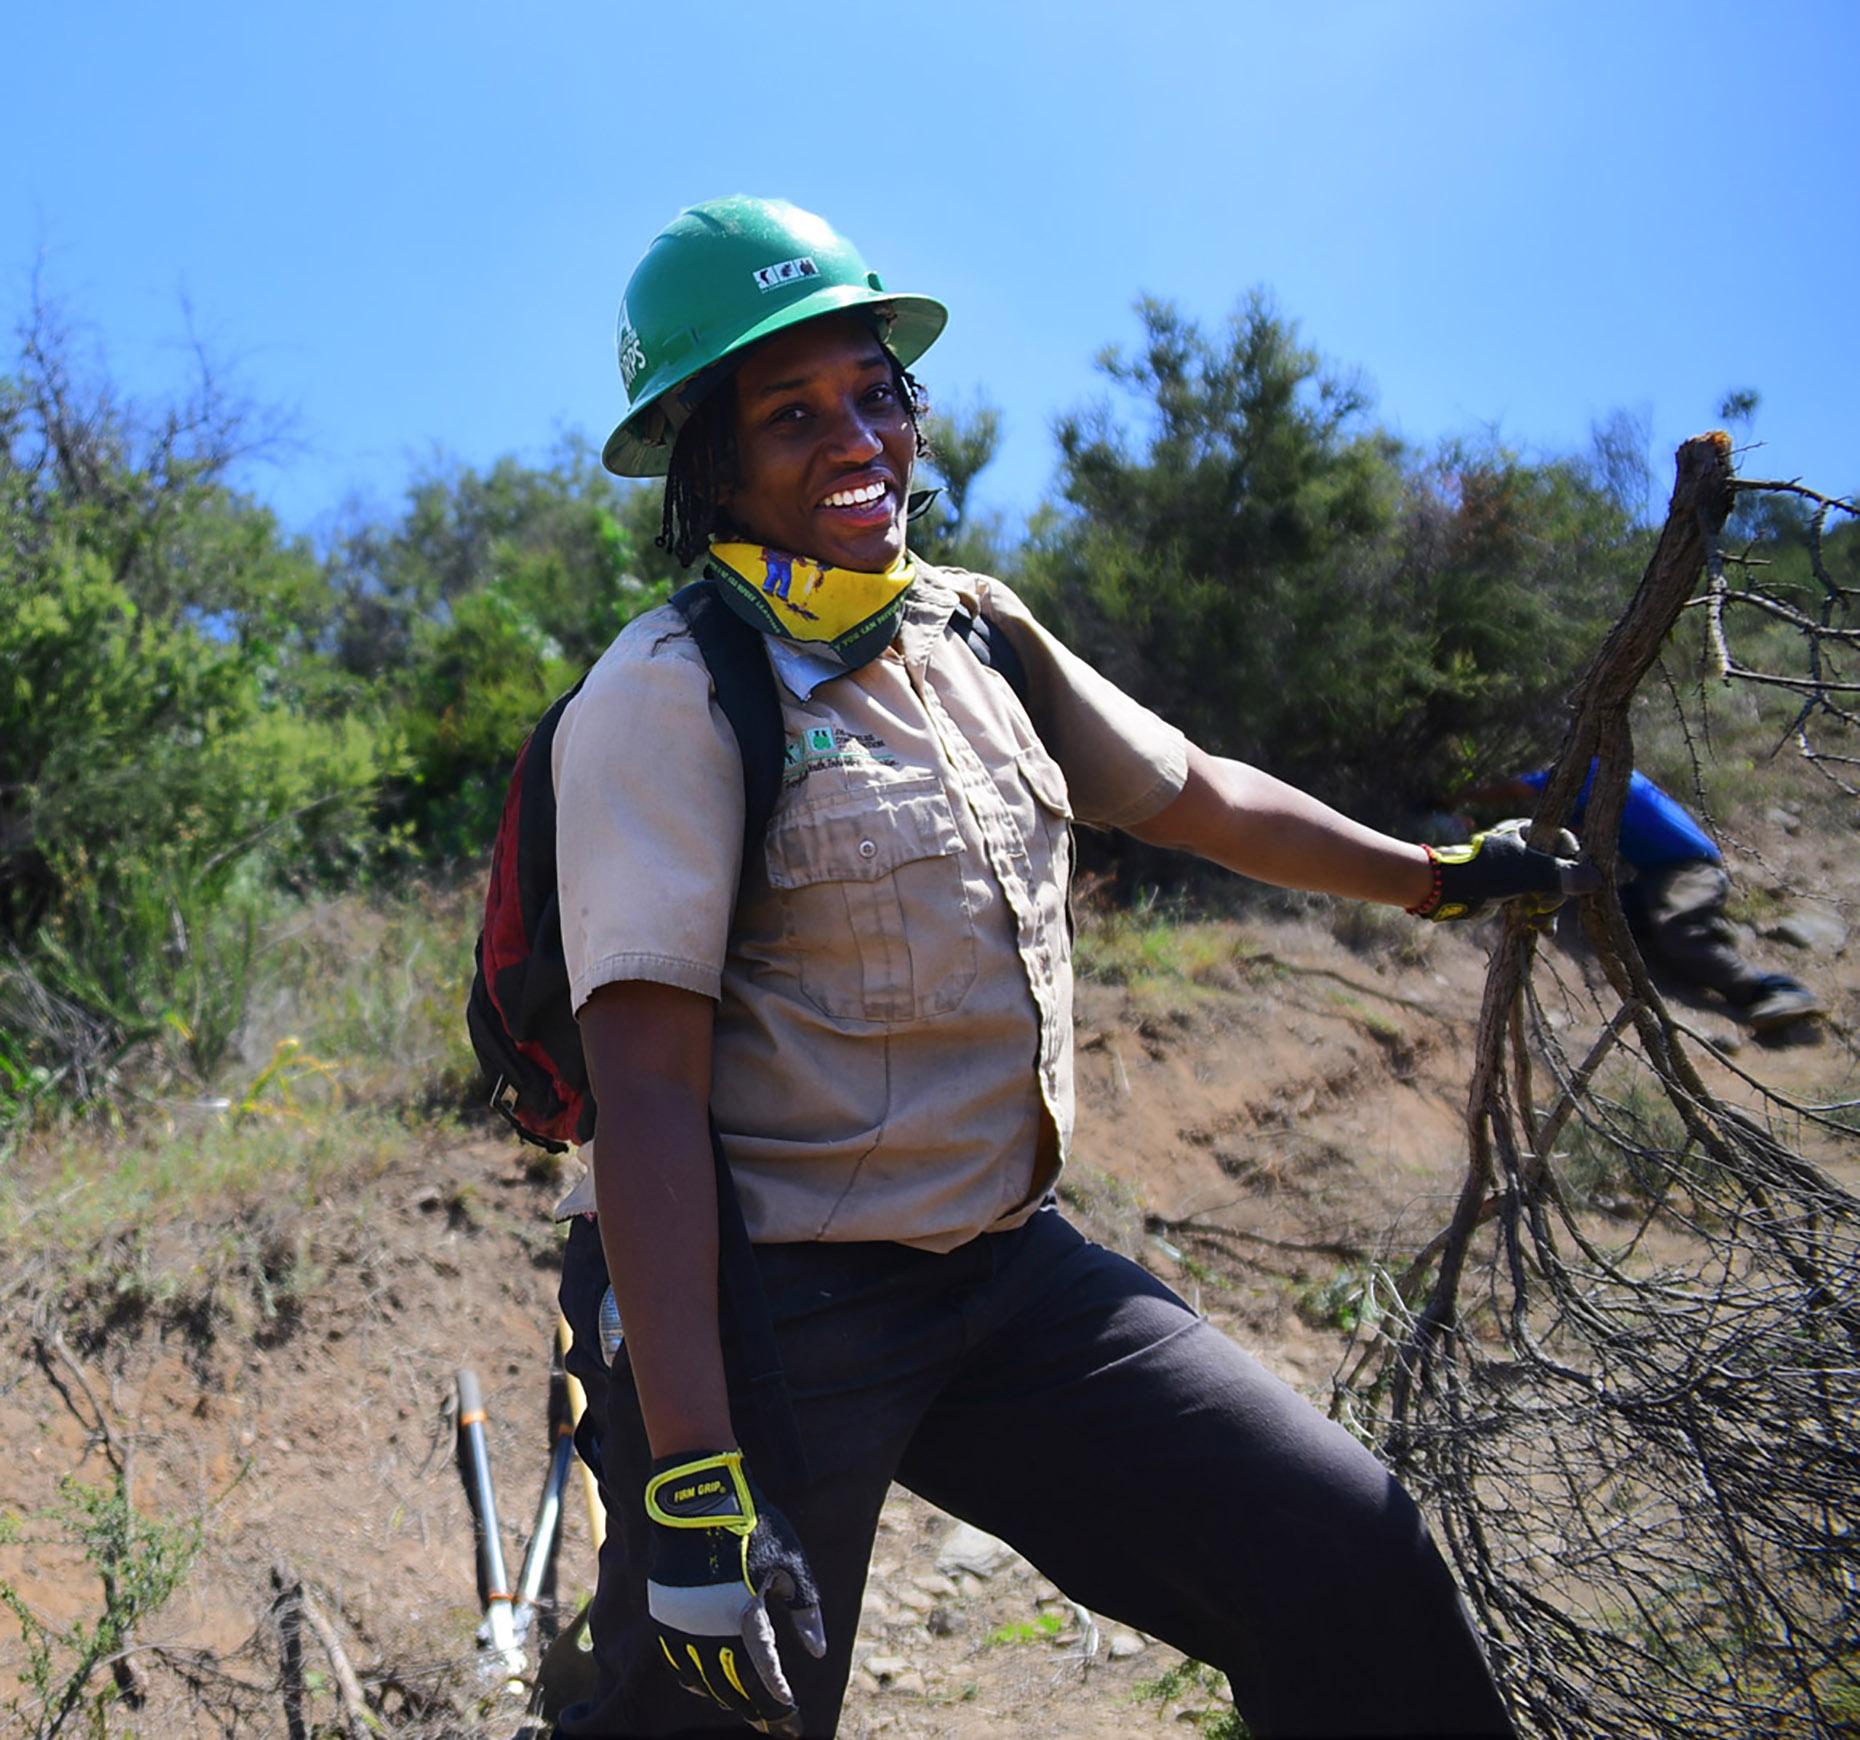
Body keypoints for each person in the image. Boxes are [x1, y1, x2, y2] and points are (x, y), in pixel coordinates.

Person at [548, 196, 1586, 1739]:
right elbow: (640, 1090)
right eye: (790, 412)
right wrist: (693, 1464)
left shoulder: (978, 634)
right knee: (720, 1711)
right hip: (770, 1309)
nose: (856, 439)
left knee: (1343, 1565)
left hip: (1008, 1275)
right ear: (708, 465)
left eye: (874, 392)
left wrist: (1433, 879)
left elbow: (1193, 794)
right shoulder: (668, 691)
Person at [1496, 763, 1822, 1032]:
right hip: (1652, 877)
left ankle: (1775, 991)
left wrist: (1455, 799)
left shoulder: (1598, 770)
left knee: (1677, 926)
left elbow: (1518, 789)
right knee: (1611, 918)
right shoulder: (1601, 790)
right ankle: (1704, 971)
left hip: (1689, 868)